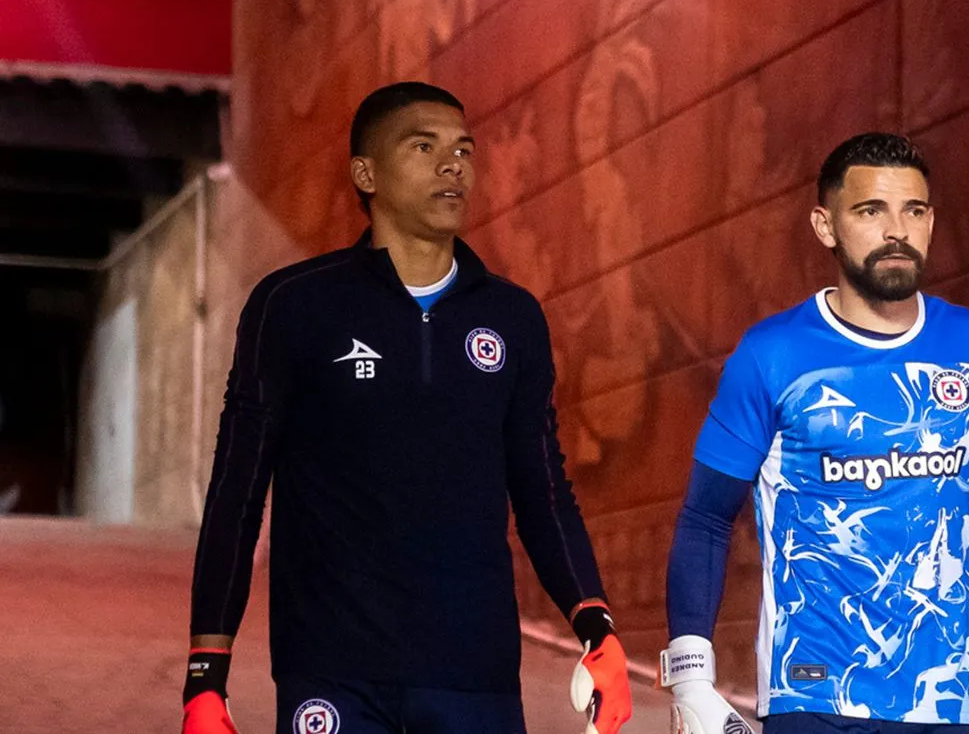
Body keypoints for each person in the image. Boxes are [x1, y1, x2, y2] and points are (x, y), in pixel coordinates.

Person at [658, 133, 969, 733]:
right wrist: (690, 675)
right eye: (871, 211)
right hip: (812, 692)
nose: (897, 230)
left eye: (913, 211)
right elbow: (707, 518)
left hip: (946, 697)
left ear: (931, 222)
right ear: (825, 226)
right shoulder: (771, 355)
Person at [180, 82, 633, 734]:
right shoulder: (294, 307)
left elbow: (544, 490)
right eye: (424, 147)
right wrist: (205, 674)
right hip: (332, 671)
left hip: (474, 674)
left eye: (463, 151)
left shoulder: (513, 318)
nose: (453, 166)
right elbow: (237, 490)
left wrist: (595, 623)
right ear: (366, 174)